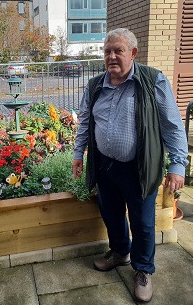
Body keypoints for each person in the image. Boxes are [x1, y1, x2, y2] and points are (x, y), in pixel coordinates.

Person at [72, 28, 188, 303]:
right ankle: (120, 252)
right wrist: (79, 153)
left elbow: (172, 125)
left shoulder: (152, 81)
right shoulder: (96, 85)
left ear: (133, 53)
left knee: (143, 223)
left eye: (118, 51)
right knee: (111, 214)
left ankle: (144, 270)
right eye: (107, 51)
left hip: (140, 167)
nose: (111, 57)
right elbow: (86, 122)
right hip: (105, 166)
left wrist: (177, 166)